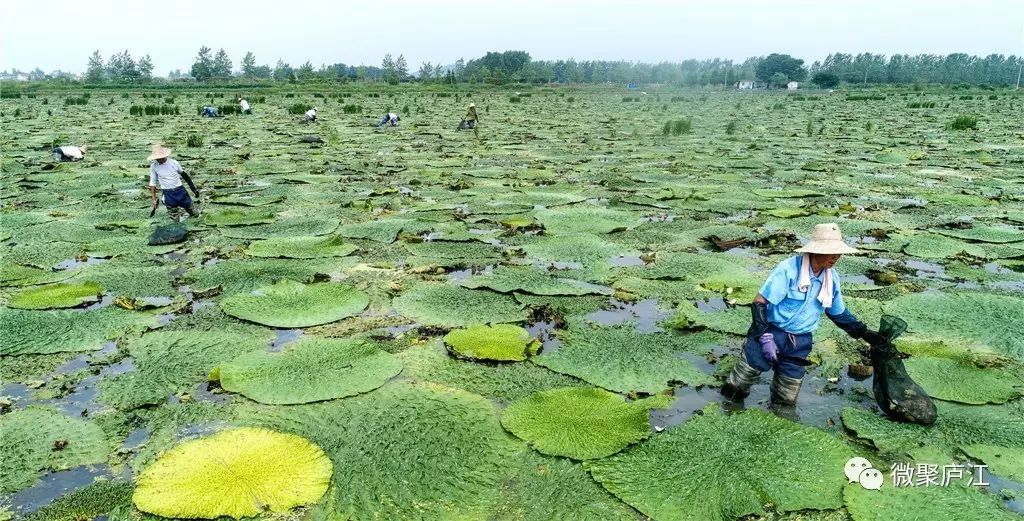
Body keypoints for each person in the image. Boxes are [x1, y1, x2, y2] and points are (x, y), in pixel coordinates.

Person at [721, 223, 886, 408]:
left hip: (799, 342)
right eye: (831, 252)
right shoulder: (789, 269)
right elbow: (759, 302)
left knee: (787, 396)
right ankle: (726, 410)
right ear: (816, 251)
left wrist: (865, 333)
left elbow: (837, 313)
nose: (836, 257)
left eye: (838, 253)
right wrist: (764, 336)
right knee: (739, 384)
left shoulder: (831, 279)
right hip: (771, 331)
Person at [147, 145, 201, 220]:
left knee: (194, 214)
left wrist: (194, 190)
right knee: (174, 219)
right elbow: (152, 183)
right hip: (168, 194)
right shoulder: (154, 166)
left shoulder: (173, 163)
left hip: (181, 191)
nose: (159, 159)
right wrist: (154, 199)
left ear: (165, 155)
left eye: (160, 157)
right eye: (157, 158)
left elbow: (185, 176)